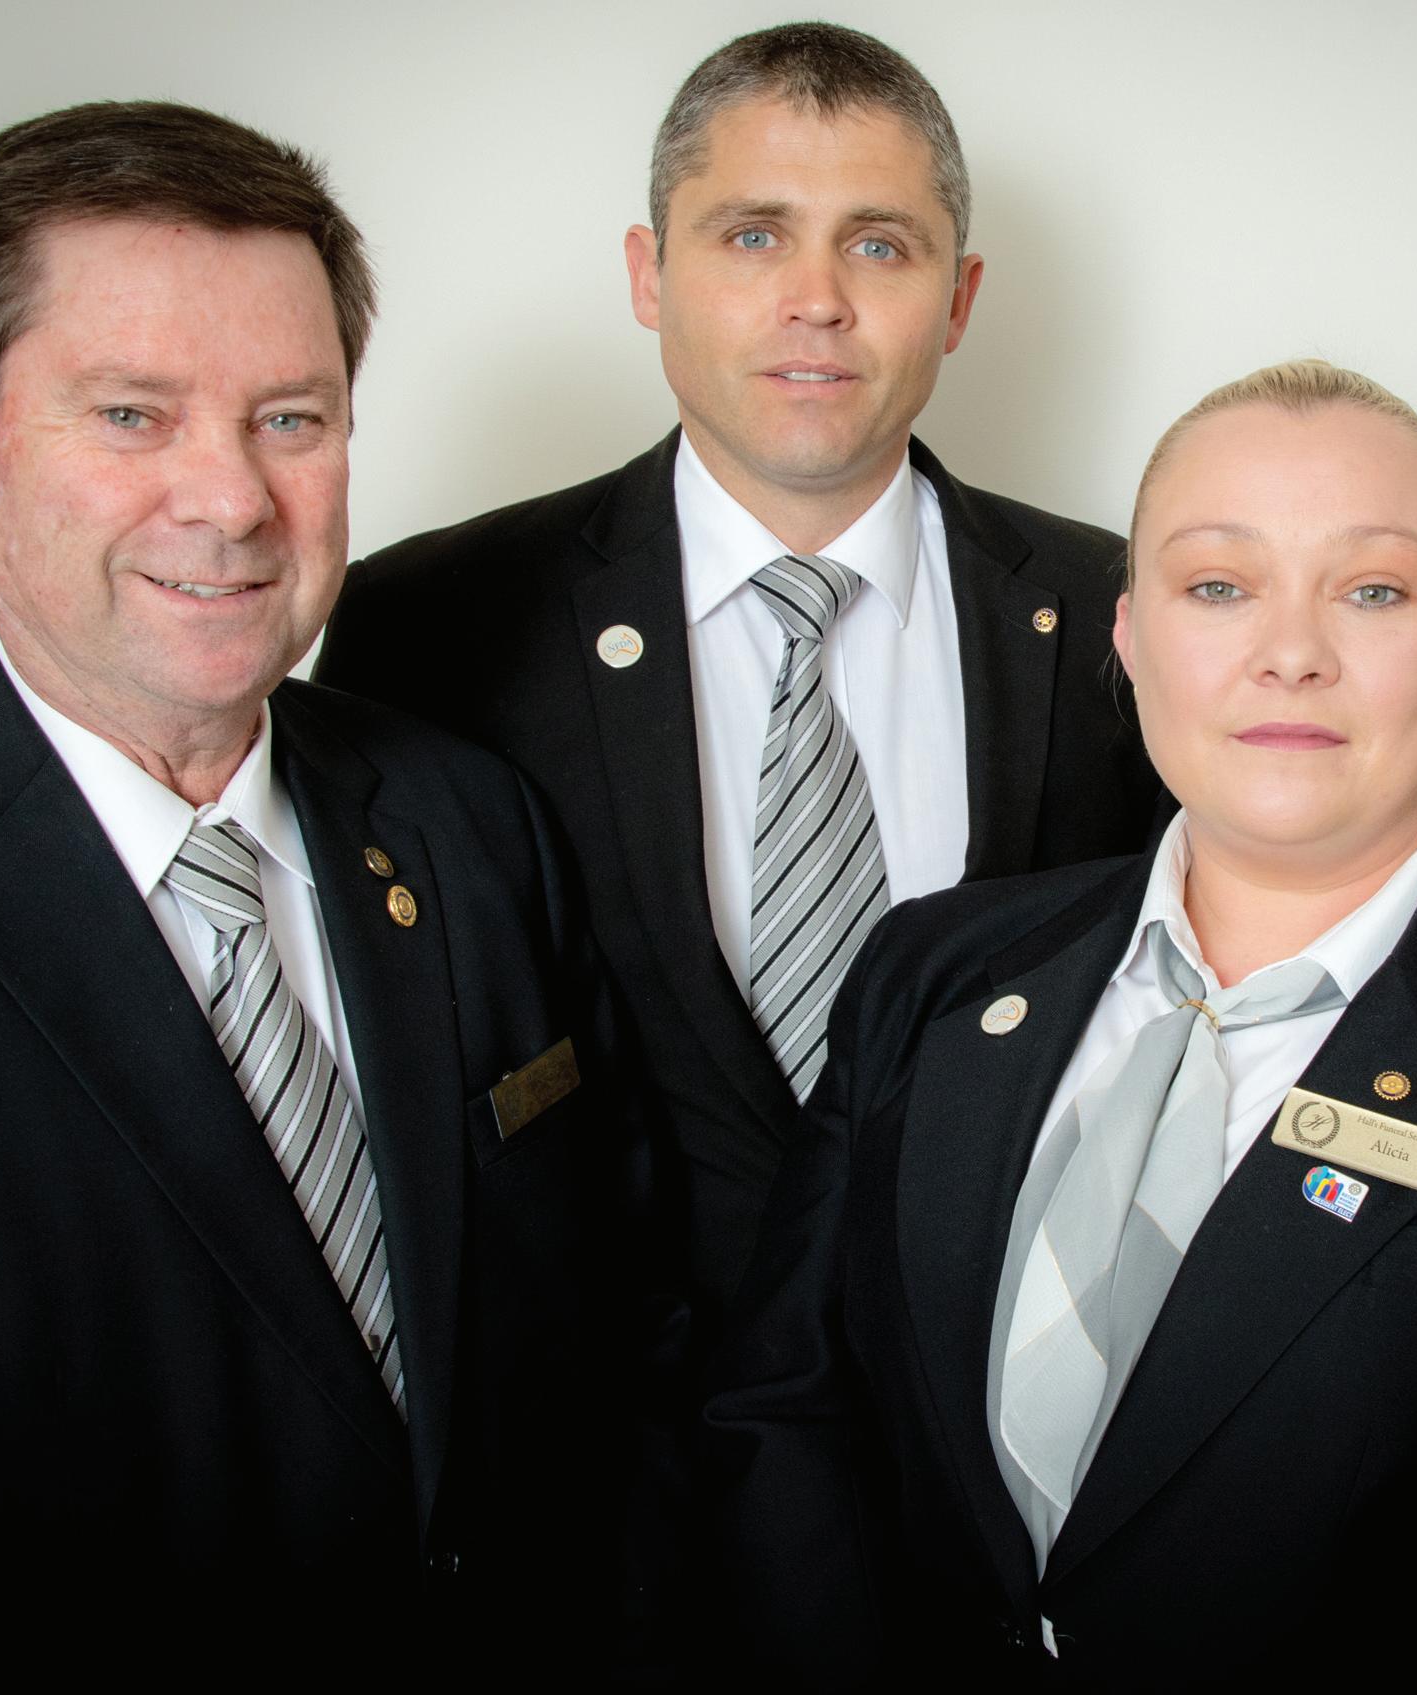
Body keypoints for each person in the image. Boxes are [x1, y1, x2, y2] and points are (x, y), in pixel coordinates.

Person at [0, 101, 672, 1680]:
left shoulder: (468, 821)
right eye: (130, 415)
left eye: (289, 419)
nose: (229, 501)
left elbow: (615, 1344)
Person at [705, 360, 1417, 1684]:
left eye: (1373, 591)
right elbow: (785, 1407)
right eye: (1219, 586)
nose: (1293, 653)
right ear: (1129, 636)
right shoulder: (934, 970)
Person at [315, 23, 1164, 1317]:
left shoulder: (1131, 613)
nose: (816, 298)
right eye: (754, 235)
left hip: (998, 1396)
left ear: (960, 298)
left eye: (879, 245)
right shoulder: (431, 627)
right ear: (648, 274)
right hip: (599, 1416)